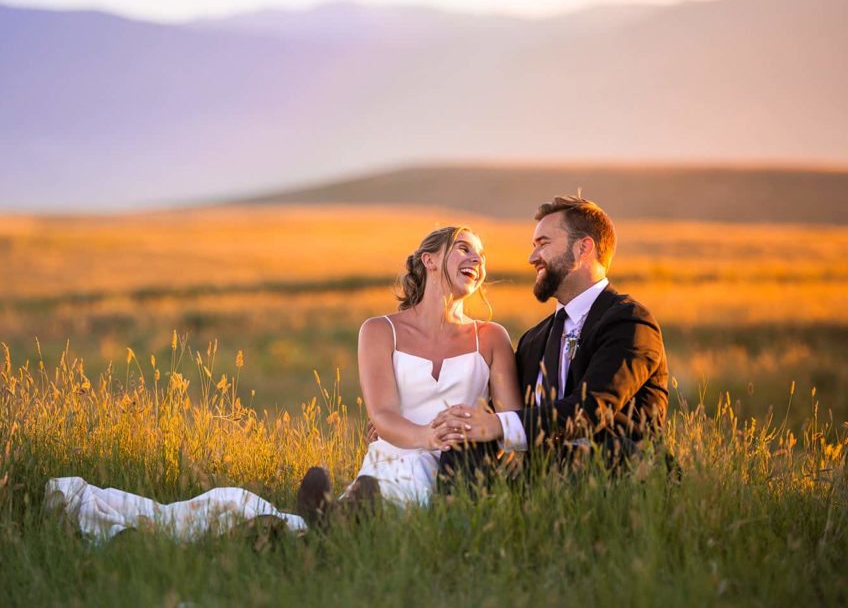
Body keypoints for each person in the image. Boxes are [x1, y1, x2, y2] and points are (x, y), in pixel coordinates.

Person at [45, 226, 521, 541]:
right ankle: (343, 516)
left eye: (482, 255)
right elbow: (382, 415)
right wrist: (425, 435)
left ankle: (327, 520)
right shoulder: (381, 331)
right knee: (230, 503)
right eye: (464, 246)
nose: (476, 258)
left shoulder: (492, 338)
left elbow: (514, 425)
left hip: (456, 471)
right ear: (430, 260)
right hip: (394, 457)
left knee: (244, 513)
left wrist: (476, 434)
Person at [433, 196, 669, 479]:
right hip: (543, 474)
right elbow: (493, 408)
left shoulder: (629, 322)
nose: (533, 257)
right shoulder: (535, 339)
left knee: (616, 451)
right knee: (465, 448)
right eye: (534, 246)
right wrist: (406, 419)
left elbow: (593, 409)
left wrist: (500, 426)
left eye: (543, 244)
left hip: (612, 473)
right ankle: (457, 521)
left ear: (583, 248)